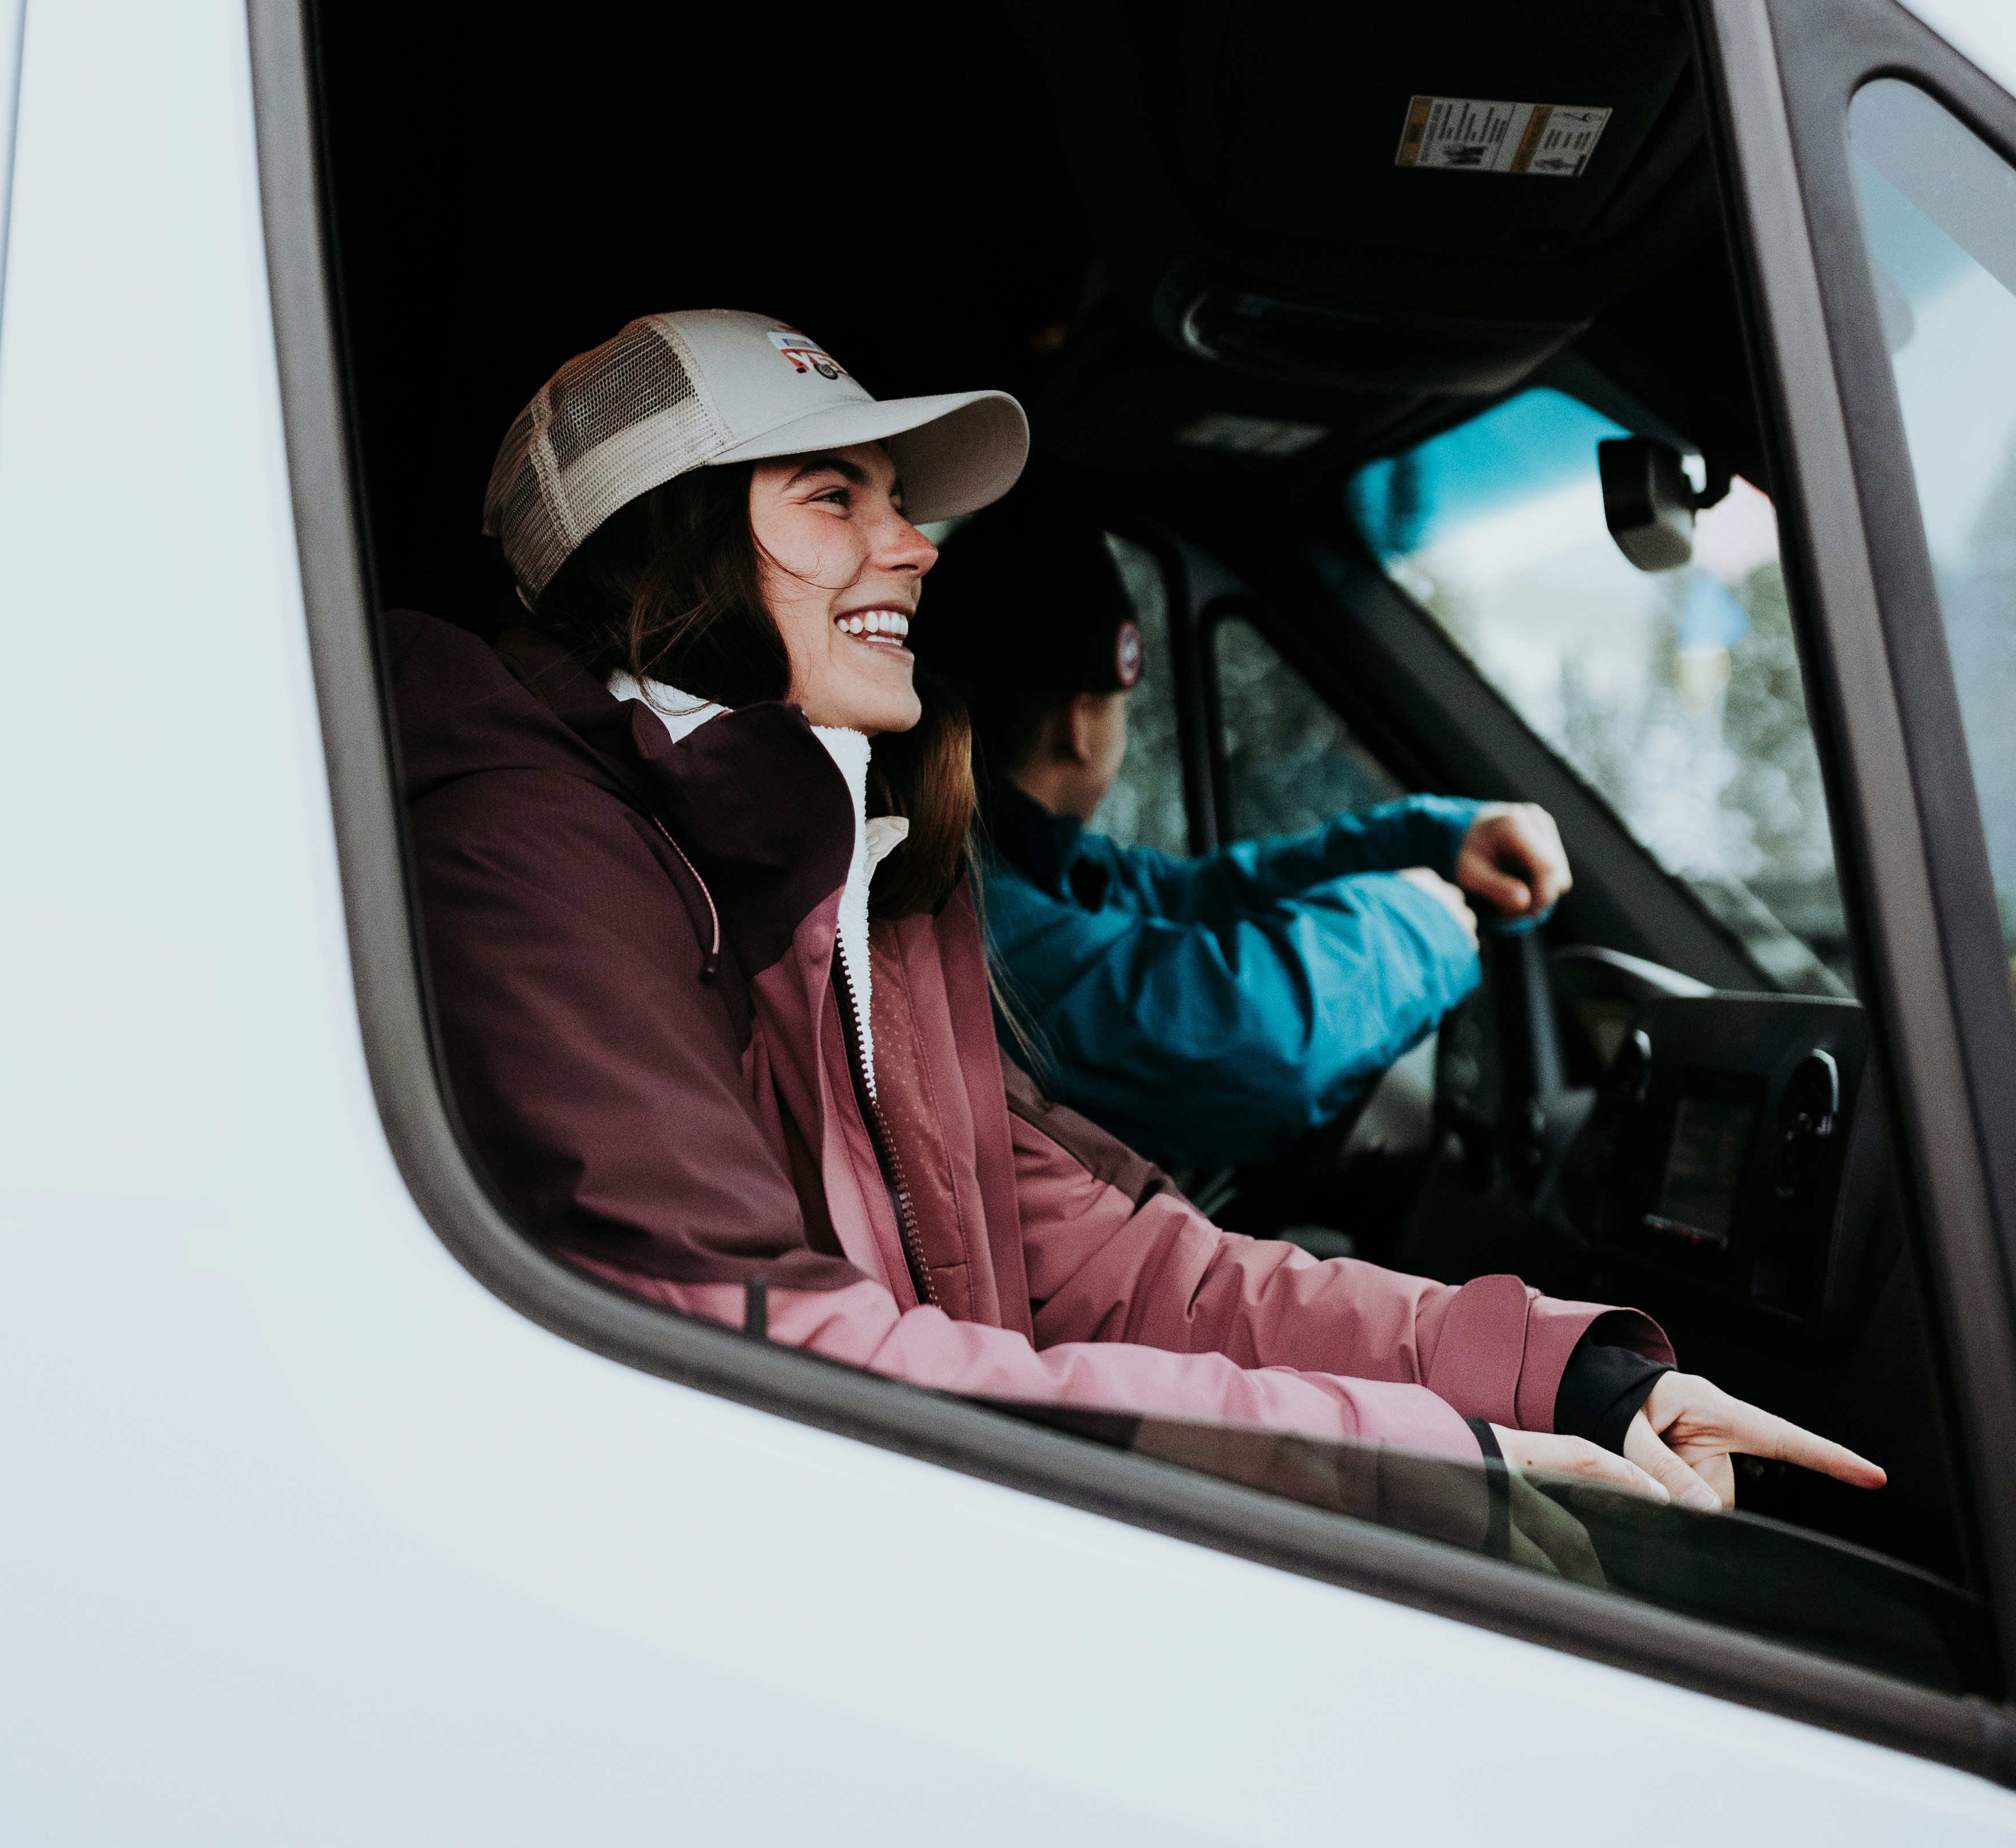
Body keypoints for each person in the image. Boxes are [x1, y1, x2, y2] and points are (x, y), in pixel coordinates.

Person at [391, 304, 1883, 1526]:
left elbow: (1109, 1266)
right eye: (836, 497)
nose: (915, 546)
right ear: (667, 548)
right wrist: (1437, 1468)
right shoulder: (528, 864)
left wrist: (1564, 1381)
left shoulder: (863, 874)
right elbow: (774, 1363)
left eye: (899, 501)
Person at [909, 477, 1565, 1183]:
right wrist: (1421, 926)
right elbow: (1255, 1043)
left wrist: (1431, 839)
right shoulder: (959, 911)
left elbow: (1198, 897)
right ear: (1081, 723)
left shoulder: (1021, 862)